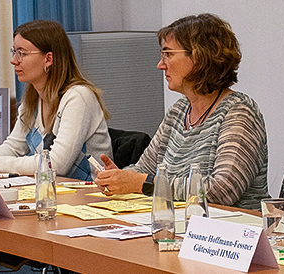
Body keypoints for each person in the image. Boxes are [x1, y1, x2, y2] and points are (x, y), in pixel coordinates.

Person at [0, 20, 113, 274]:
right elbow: (13, 147)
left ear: (49, 58)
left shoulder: (78, 97)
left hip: (85, 206)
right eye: (14, 52)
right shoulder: (33, 97)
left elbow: (56, 165)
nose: (14, 60)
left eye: (22, 53)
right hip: (50, 202)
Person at [95, 14, 269, 210]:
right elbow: (144, 170)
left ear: (199, 57)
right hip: (179, 226)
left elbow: (222, 190)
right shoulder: (178, 111)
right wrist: (119, 177)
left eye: (168, 54)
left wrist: (143, 184)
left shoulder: (239, 112)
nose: (160, 65)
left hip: (230, 234)